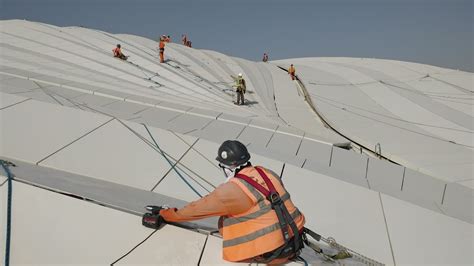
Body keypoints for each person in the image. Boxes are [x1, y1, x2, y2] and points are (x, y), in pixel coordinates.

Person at [159, 140, 306, 264]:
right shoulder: (266, 172)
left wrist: (166, 214)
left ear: (227, 167)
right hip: (295, 240)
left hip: (274, 252)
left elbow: (196, 210)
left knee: (226, 220)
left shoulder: (232, 190)